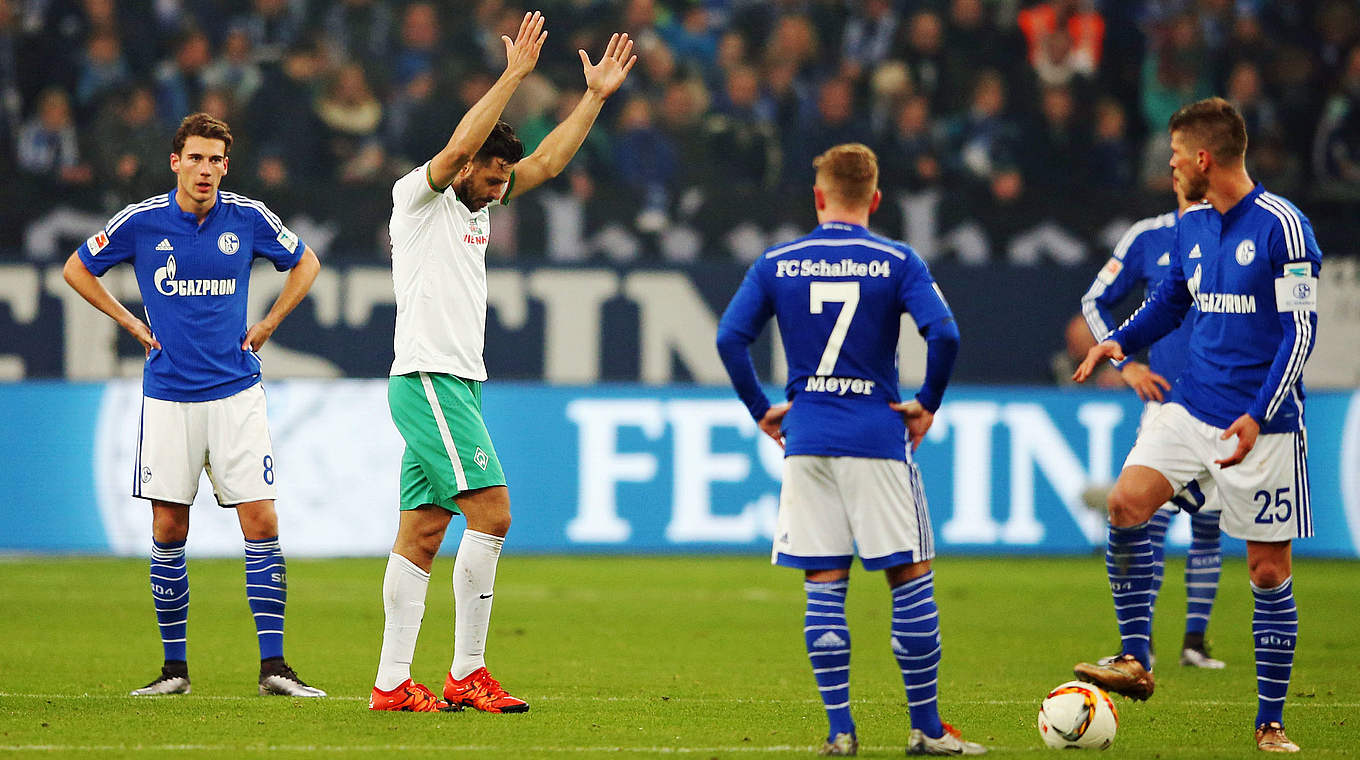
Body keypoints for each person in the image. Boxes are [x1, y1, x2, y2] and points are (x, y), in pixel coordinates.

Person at [368, 11, 635, 714]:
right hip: (430, 379)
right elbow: (460, 145)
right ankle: (467, 673)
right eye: (490, 175)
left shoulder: (479, 205)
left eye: (500, 179)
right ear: (467, 167)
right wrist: (514, 76)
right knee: (493, 512)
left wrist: (595, 98)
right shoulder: (418, 200)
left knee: (423, 532)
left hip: (455, 383)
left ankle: (391, 684)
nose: (498, 189)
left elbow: (545, 162)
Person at [716, 143, 984, 757]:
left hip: (806, 439)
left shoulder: (778, 261)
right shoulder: (897, 259)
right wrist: (929, 401)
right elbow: (944, 333)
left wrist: (763, 411)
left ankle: (840, 732)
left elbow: (731, 338)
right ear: (876, 198)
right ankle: (927, 730)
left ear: (818, 197)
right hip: (876, 437)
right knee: (910, 578)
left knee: (824, 585)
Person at [1072, 97, 1320, 754]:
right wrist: (1117, 345)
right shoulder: (1192, 226)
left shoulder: (1284, 229)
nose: (1171, 166)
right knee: (1126, 505)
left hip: (1261, 425)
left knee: (1267, 572)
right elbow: (1171, 301)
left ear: (1204, 159)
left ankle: (1270, 722)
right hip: (1188, 406)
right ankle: (1134, 657)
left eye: (1177, 156)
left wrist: (1259, 413)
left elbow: (1301, 332)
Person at [62, 112, 325, 697]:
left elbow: (305, 261)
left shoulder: (248, 218)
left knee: (261, 521)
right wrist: (130, 320)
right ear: (175, 161)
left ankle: (274, 668)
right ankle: (174, 671)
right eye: (197, 158)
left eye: (216, 160)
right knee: (168, 527)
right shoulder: (142, 222)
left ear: (225, 167)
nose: (206, 170)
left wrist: (270, 322)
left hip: (237, 392)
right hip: (169, 396)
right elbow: (76, 268)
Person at [1080, 177, 1227, 670]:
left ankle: (1194, 641)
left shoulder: (1241, 231)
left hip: (1226, 403)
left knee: (1210, 527)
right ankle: (1140, 646)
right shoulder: (1148, 237)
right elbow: (1093, 300)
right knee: (1145, 519)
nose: (1176, 169)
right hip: (1167, 406)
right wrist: (1126, 364)